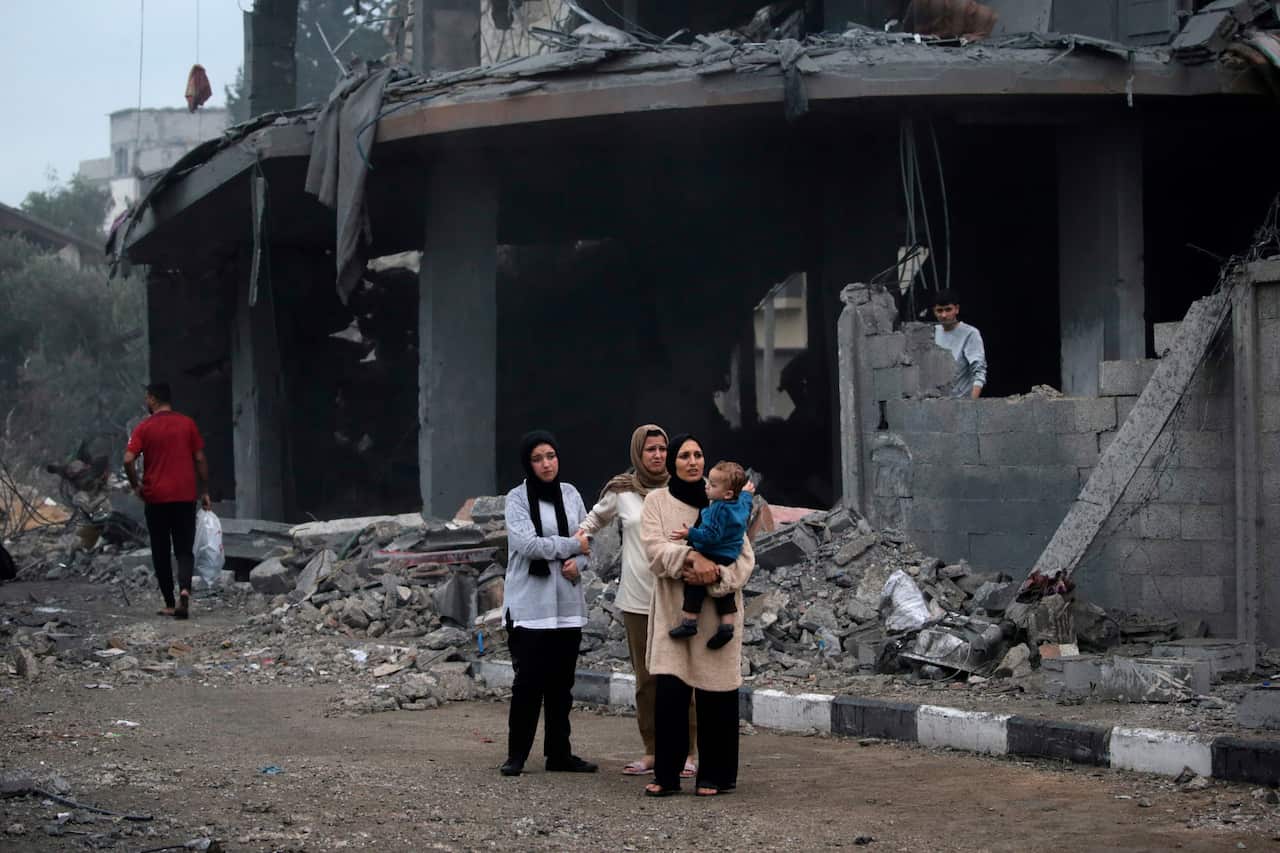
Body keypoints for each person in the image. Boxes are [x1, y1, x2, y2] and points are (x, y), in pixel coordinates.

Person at [577, 425, 698, 779]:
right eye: (651, 450)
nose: (658, 455)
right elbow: (595, 518)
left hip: (677, 597)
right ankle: (653, 750)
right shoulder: (622, 491)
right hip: (637, 599)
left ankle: (690, 751)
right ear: (637, 454)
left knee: (683, 677)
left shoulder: (684, 488)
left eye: (663, 449)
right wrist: (578, 540)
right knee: (647, 680)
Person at [641, 434, 755, 797]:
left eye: (698, 455)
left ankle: (715, 776)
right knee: (671, 695)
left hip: (716, 617)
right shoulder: (657, 501)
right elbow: (655, 550)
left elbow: (745, 558)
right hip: (675, 615)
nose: (693, 462)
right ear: (672, 462)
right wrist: (691, 558)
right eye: (685, 456)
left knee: (717, 695)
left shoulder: (728, 502)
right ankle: (667, 775)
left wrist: (716, 575)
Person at [500, 430, 597, 777]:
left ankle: (559, 754)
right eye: (538, 458)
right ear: (528, 463)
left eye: (551, 456)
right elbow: (529, 546)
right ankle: (517, 756)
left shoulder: (570, 494)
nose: (546, 464)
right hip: (530, 606)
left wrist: (581, 561)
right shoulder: (517, 498)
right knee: (527, 685)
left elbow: (589, 542)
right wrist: (573, 547)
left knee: (561, 686)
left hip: (567, 605)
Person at [123, 383, 211, 620]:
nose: (146, 402)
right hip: (185, 496)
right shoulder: (187, 424)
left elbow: (128, 459)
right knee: (184, 548)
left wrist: (136, 486)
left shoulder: (144, 427)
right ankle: (184, 590)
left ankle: (170, 603)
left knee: (160, 549)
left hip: (156, 498)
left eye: (147, 398)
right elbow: (200, 458)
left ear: (152, 399)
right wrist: (204, 491)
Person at [667, 461, 754, 650]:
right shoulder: (740, 503)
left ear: (727, 494)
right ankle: (727, 626)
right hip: (731, 554)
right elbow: (747, 501)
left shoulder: (718, 509)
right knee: (725, 592)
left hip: (714, 551)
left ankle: (689, 622)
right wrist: (747, 491)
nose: (707, 486)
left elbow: (711, 536)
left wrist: (690, 533)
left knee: (695, 583)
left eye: (713, 485)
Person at [932, 289, 987, 399]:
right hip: (934, 404)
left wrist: (971, 405)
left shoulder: (970, 333)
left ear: (956, 309)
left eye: (948, 310)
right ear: (934, 311)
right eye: (940, 310)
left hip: (960, 404)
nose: (944, 315)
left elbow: (979, 372)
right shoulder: (930, 333)